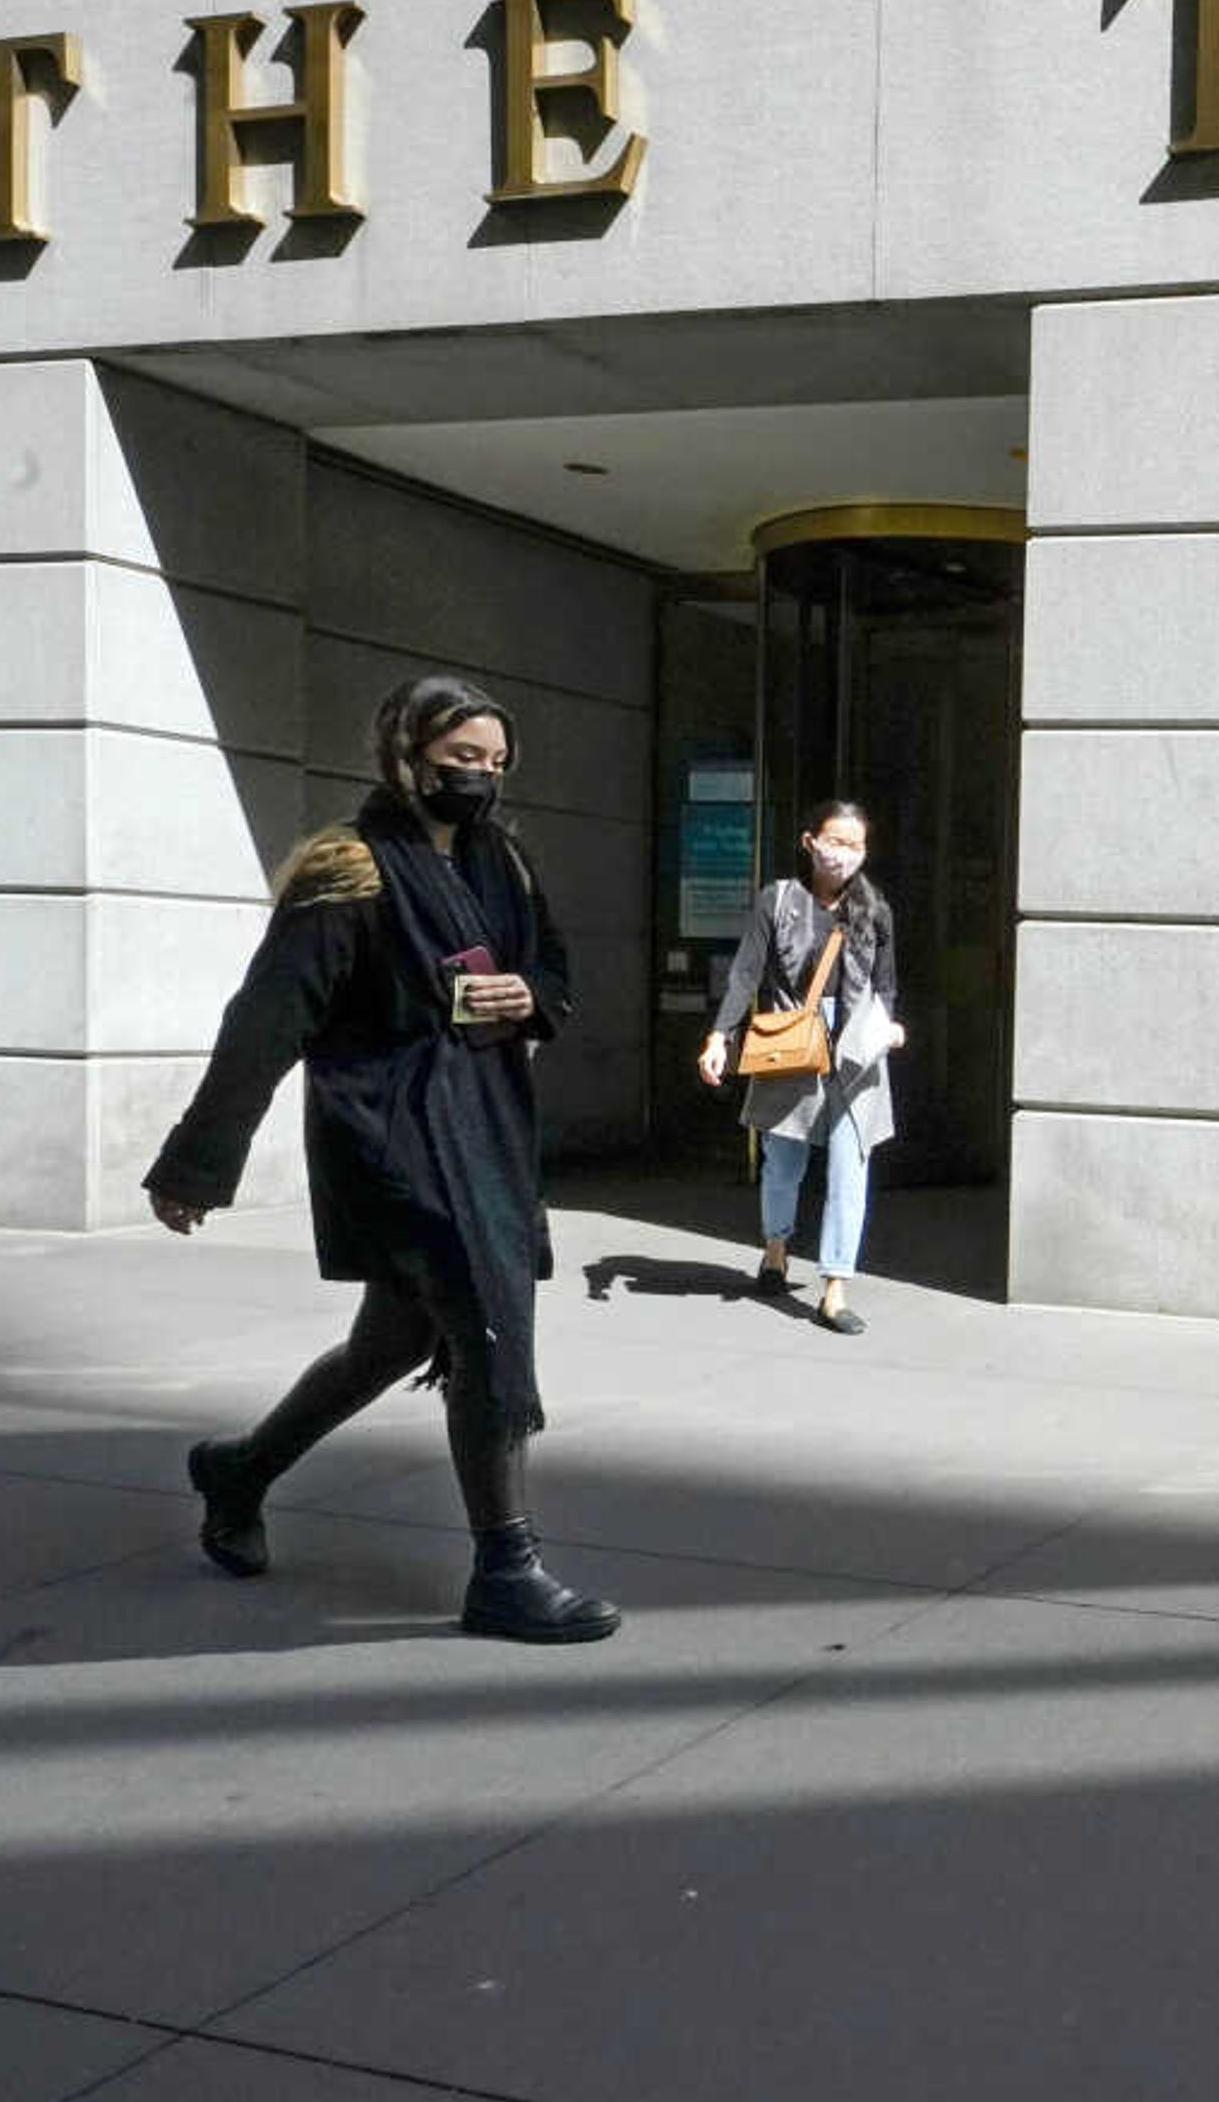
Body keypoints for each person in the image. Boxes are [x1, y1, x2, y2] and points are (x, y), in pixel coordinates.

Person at [146, 673, 619, 1644]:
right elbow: (267, 1018)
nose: (479, 779)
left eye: (493, 763)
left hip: (483, 1121)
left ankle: (240, 1469)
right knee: (484, 1320)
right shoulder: (347, 869)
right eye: (460, 761)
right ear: (408, 755)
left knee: (396, 1340)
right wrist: (199, 1159)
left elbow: (556, 971)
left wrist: (526, 995)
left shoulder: (504, 861)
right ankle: (506, 1564)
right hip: (391, 1132)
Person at [698, 800, 904, 1335]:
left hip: (856, 1045)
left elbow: (885, 983)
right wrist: (720, 1035)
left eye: (854, 845)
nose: (843, 854)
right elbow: (746, 972)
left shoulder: (874, 908)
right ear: (809, 841)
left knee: (848, 1165)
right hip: (791, 1036)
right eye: (834, 841)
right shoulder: (779, 900)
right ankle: (775, 1247)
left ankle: (834, 1289)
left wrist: (890, 1025)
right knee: (783, 1160)